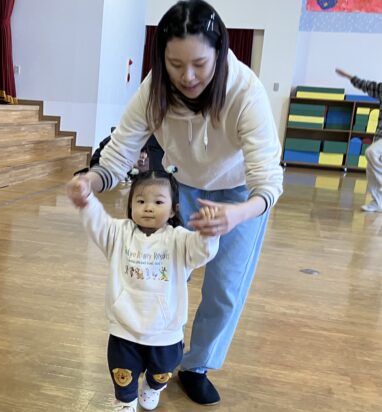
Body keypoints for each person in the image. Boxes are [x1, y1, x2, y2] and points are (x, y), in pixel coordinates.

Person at [66, 0, 283, 405]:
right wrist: (90, 180)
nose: (188, 76)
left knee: (224, 288)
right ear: (161, 58)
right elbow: (118, 153)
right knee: (163, 275)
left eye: (200, 64)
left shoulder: (245, 93)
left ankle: (197, 365)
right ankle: (153, 349)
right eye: (175, 64)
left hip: (240, 194)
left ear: (219, 53)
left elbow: (268, 181)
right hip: (181, 186)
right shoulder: (154, 91)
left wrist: (238, 213)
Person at [73, 170, 219, 412]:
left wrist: (208, 233)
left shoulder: (179, 239)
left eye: (158, 202)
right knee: (122, 372)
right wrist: (85, 199)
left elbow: (201, 251)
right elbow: (97, 221)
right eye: (140, 201)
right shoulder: (119, 234)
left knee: (162, 372)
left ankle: (152, 387)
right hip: (125, 327)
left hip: (166, 331)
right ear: (130, 205)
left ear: (173, 210)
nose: (148, 208)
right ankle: (125, 402)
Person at [335, 68, 382, 212]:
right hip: (380, 137)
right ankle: (378, 202)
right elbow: (366, 85)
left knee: (371, 152)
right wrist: (348, 76)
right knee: (371, 167)